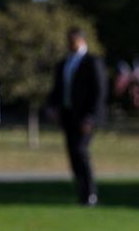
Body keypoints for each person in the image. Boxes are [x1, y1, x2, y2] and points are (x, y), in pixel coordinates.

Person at [47, 27, 106, 206]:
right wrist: (51, 107)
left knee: (81, 152)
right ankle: (82, 193)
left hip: (85, 118)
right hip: (68, 116)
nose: (69, 44)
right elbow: (57, 90)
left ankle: (90, 193)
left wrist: (91, 117)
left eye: (72, 40)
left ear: (81, 40)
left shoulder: (92, 61)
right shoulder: (64, 63)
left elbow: (100, 91)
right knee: (73, 155)